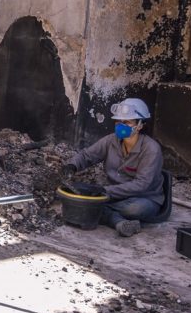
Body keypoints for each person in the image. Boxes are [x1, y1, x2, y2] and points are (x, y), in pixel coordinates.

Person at [63, 97, 164, 237]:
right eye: (118, 121)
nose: (120, 126)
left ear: (140, 125)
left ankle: (101, 212)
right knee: (88, 199)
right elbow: (87, 155)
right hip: (113, 195)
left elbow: (141, 185)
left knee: (134, 209)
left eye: (127, 122)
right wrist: (72, 165)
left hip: (143, 198)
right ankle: (118, 222)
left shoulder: (151, 149)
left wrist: (104, 190)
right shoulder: (111, 140)